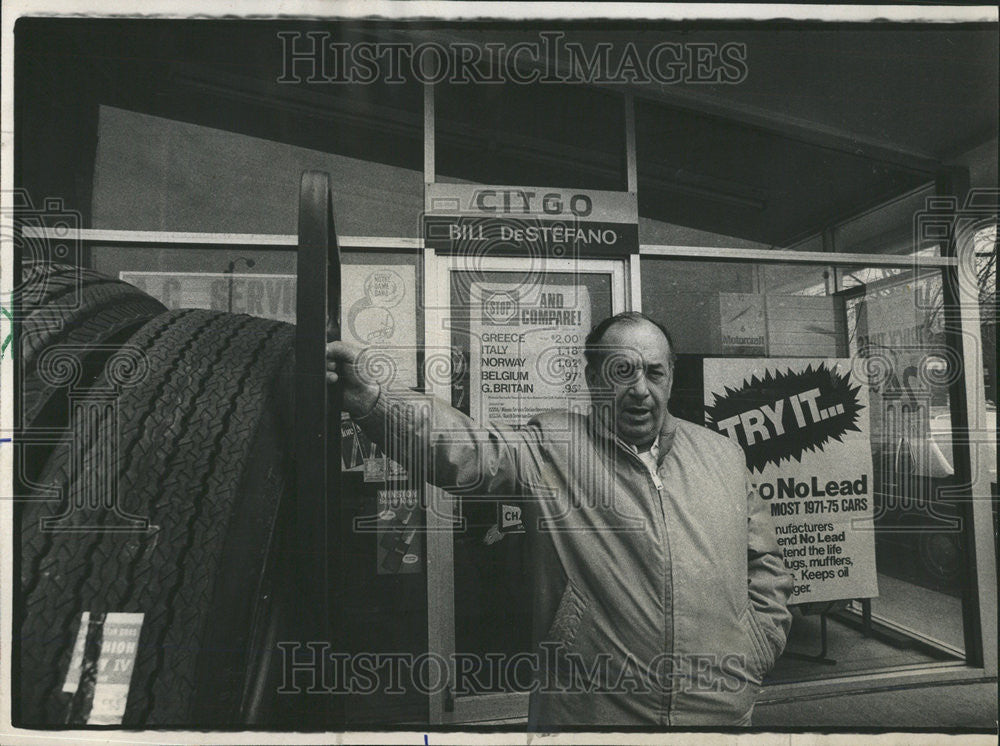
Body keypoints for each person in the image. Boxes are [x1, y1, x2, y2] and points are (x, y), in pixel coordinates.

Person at [326, 311, 793, 728]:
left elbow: (765, 564)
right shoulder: (555, 447)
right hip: (592, 713)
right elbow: (465, 449)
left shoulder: (723, 455)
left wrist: (755, 648)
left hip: (717, 711)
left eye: (654, 373)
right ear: (592, 378)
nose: (640, 390)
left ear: (671, 377)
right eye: (621, 371)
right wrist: (377, 399)